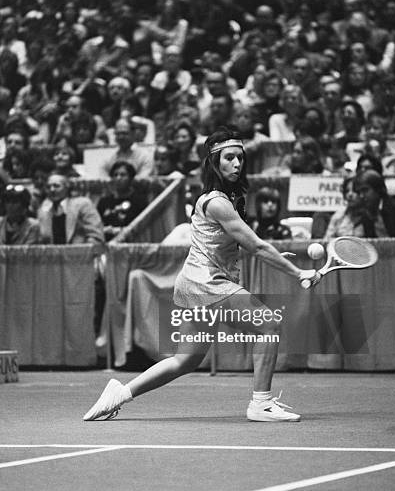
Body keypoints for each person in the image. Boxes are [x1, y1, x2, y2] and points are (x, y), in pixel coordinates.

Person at [83, 127, 320, 423]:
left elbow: (229, 245)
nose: (237, 163)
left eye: (240, 158)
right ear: (214, 162)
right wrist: (298, 273)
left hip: (193, 283)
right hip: (207, 283)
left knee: (186, 359)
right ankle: (261, 403)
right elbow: (257, 245)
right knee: (268, 326)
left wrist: (276, 259)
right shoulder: (217, 202)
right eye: (229, 157)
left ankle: (119, 393)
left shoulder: (225, 200)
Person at [38, 173, 104, 244]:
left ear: (67, 187)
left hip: (80, 252)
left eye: (56, 186)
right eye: (48, 187)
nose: (52, 190)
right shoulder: (43, 211)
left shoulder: (83, 204)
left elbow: (96, 235)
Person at [96, 161, 148, 242]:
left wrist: (120, 231)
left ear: (131, 178)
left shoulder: (140, 201)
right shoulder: (104, 202)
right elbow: (97, 225)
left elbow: (142, 227)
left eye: (123, 175)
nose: (118, 178)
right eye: (115, 175)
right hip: (107, 243)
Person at [353, 169, 395, 237]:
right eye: (358, 192)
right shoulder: (366, 214)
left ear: (378, 189)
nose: (361, 196)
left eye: (365, 190)